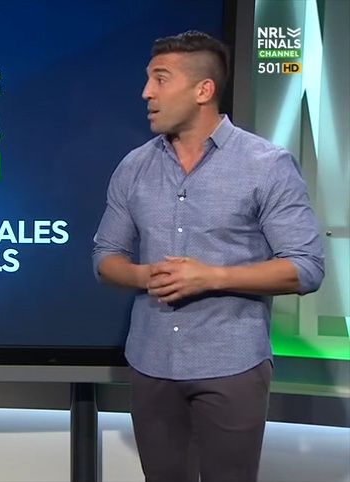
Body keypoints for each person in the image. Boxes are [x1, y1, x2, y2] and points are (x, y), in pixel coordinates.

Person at [92, 31, 324, 482]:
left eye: (161, 79)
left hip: (231, 364)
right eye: (148, 79)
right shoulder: (133, 167)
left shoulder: (266, 165)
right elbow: (105, 256)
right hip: (151, 363)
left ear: (203, 90)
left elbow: (305, 267)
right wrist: (144, 275)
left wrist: (211, 277)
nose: (146, 92)